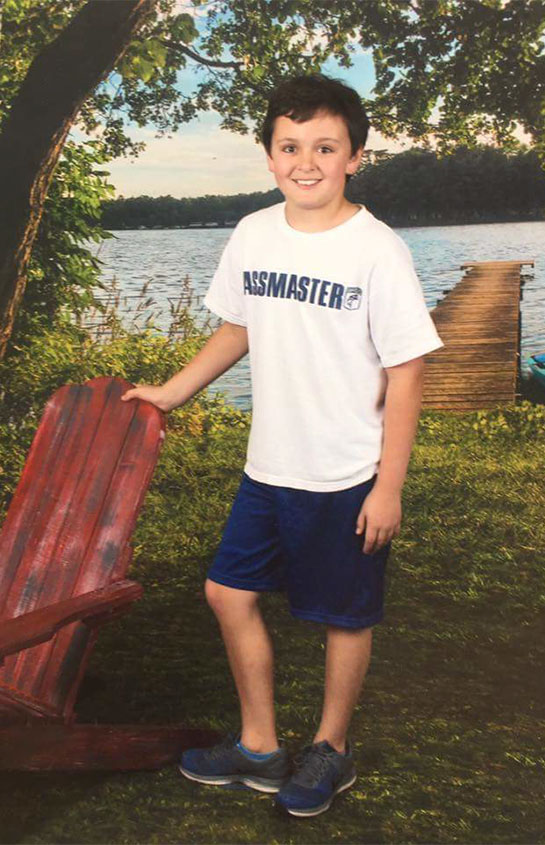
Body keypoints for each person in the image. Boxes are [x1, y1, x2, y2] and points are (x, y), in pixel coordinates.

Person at [121, 73, 444, 818]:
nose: (306, 161)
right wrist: (173, 390)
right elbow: (237, 326)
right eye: (289, 145)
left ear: (354, 156)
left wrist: (386, 485)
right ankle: (260, 746)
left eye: (324, 147)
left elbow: (407, 374)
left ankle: (330, 746)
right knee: (226, 591)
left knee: (344, 614)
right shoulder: (253, 233)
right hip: (268, 467)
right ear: (268, 156)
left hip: (344, 475)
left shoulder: (376, 251)